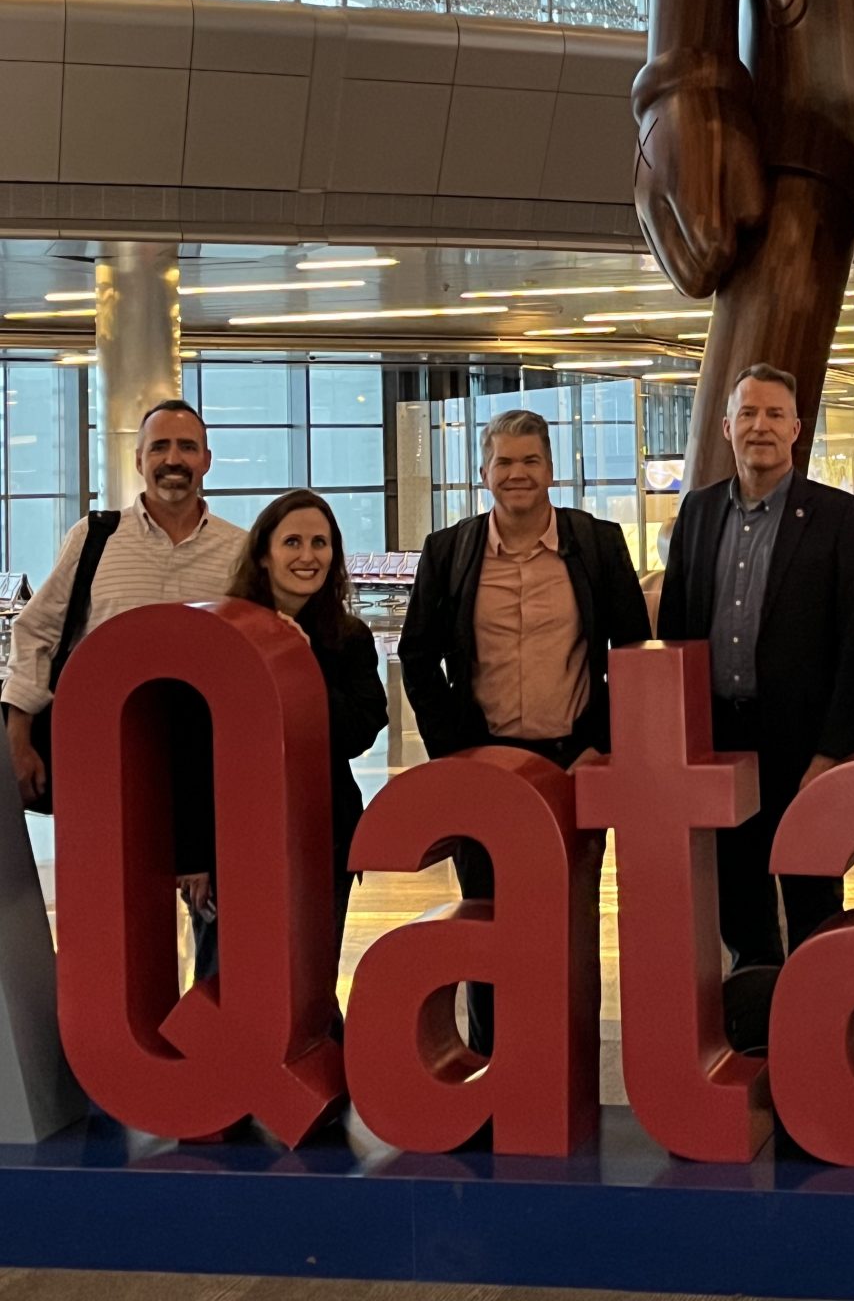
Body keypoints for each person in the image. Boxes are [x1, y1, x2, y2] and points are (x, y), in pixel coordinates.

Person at [399, 408, 651, 1052]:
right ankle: (492, 1067)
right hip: (485, 773)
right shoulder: (449, 551)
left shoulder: (594, 544)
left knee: (566, 924)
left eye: (530, 461)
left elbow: (633, 650)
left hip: (572, 765)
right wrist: (456, 754)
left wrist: (605, 745)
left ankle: (560, 1066)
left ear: (551, 470)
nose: (518, 474)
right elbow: (420, 657)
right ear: (483, 473)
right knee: (488, 927)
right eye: (504, 462)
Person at [658, 363, 854, 970]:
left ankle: (819, 1036)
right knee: (738, 902)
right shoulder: (698, 514)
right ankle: (755, 1026)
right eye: (749, 414)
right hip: (720, 748)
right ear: (727, 426)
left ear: (796, 430)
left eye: (775, 414)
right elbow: (675, 630)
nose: (761, 426)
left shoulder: (838, 517)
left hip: (803, 751)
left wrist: (832, 754)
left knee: (813, 902)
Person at [177, 490, 388, 997]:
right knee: (226, 985)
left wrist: (302, 660)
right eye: (291, 541)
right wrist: (192, 855)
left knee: (307, 988)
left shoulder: (349, 638)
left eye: (320, 543)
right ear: (264, 555)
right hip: (230, 842)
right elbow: (189, 751)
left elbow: (360, 731)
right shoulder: (220, 635)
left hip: (320, 838)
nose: (307, 556)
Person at [2, 399, 244, 807]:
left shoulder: (240, 550)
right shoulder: (95, 538)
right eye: (158, 446)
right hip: (99, 748)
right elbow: (36, 632)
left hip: (204, 758)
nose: (172, 458)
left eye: (186, 447)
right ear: (138, 460)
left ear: (206, 460)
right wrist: (18, 740)